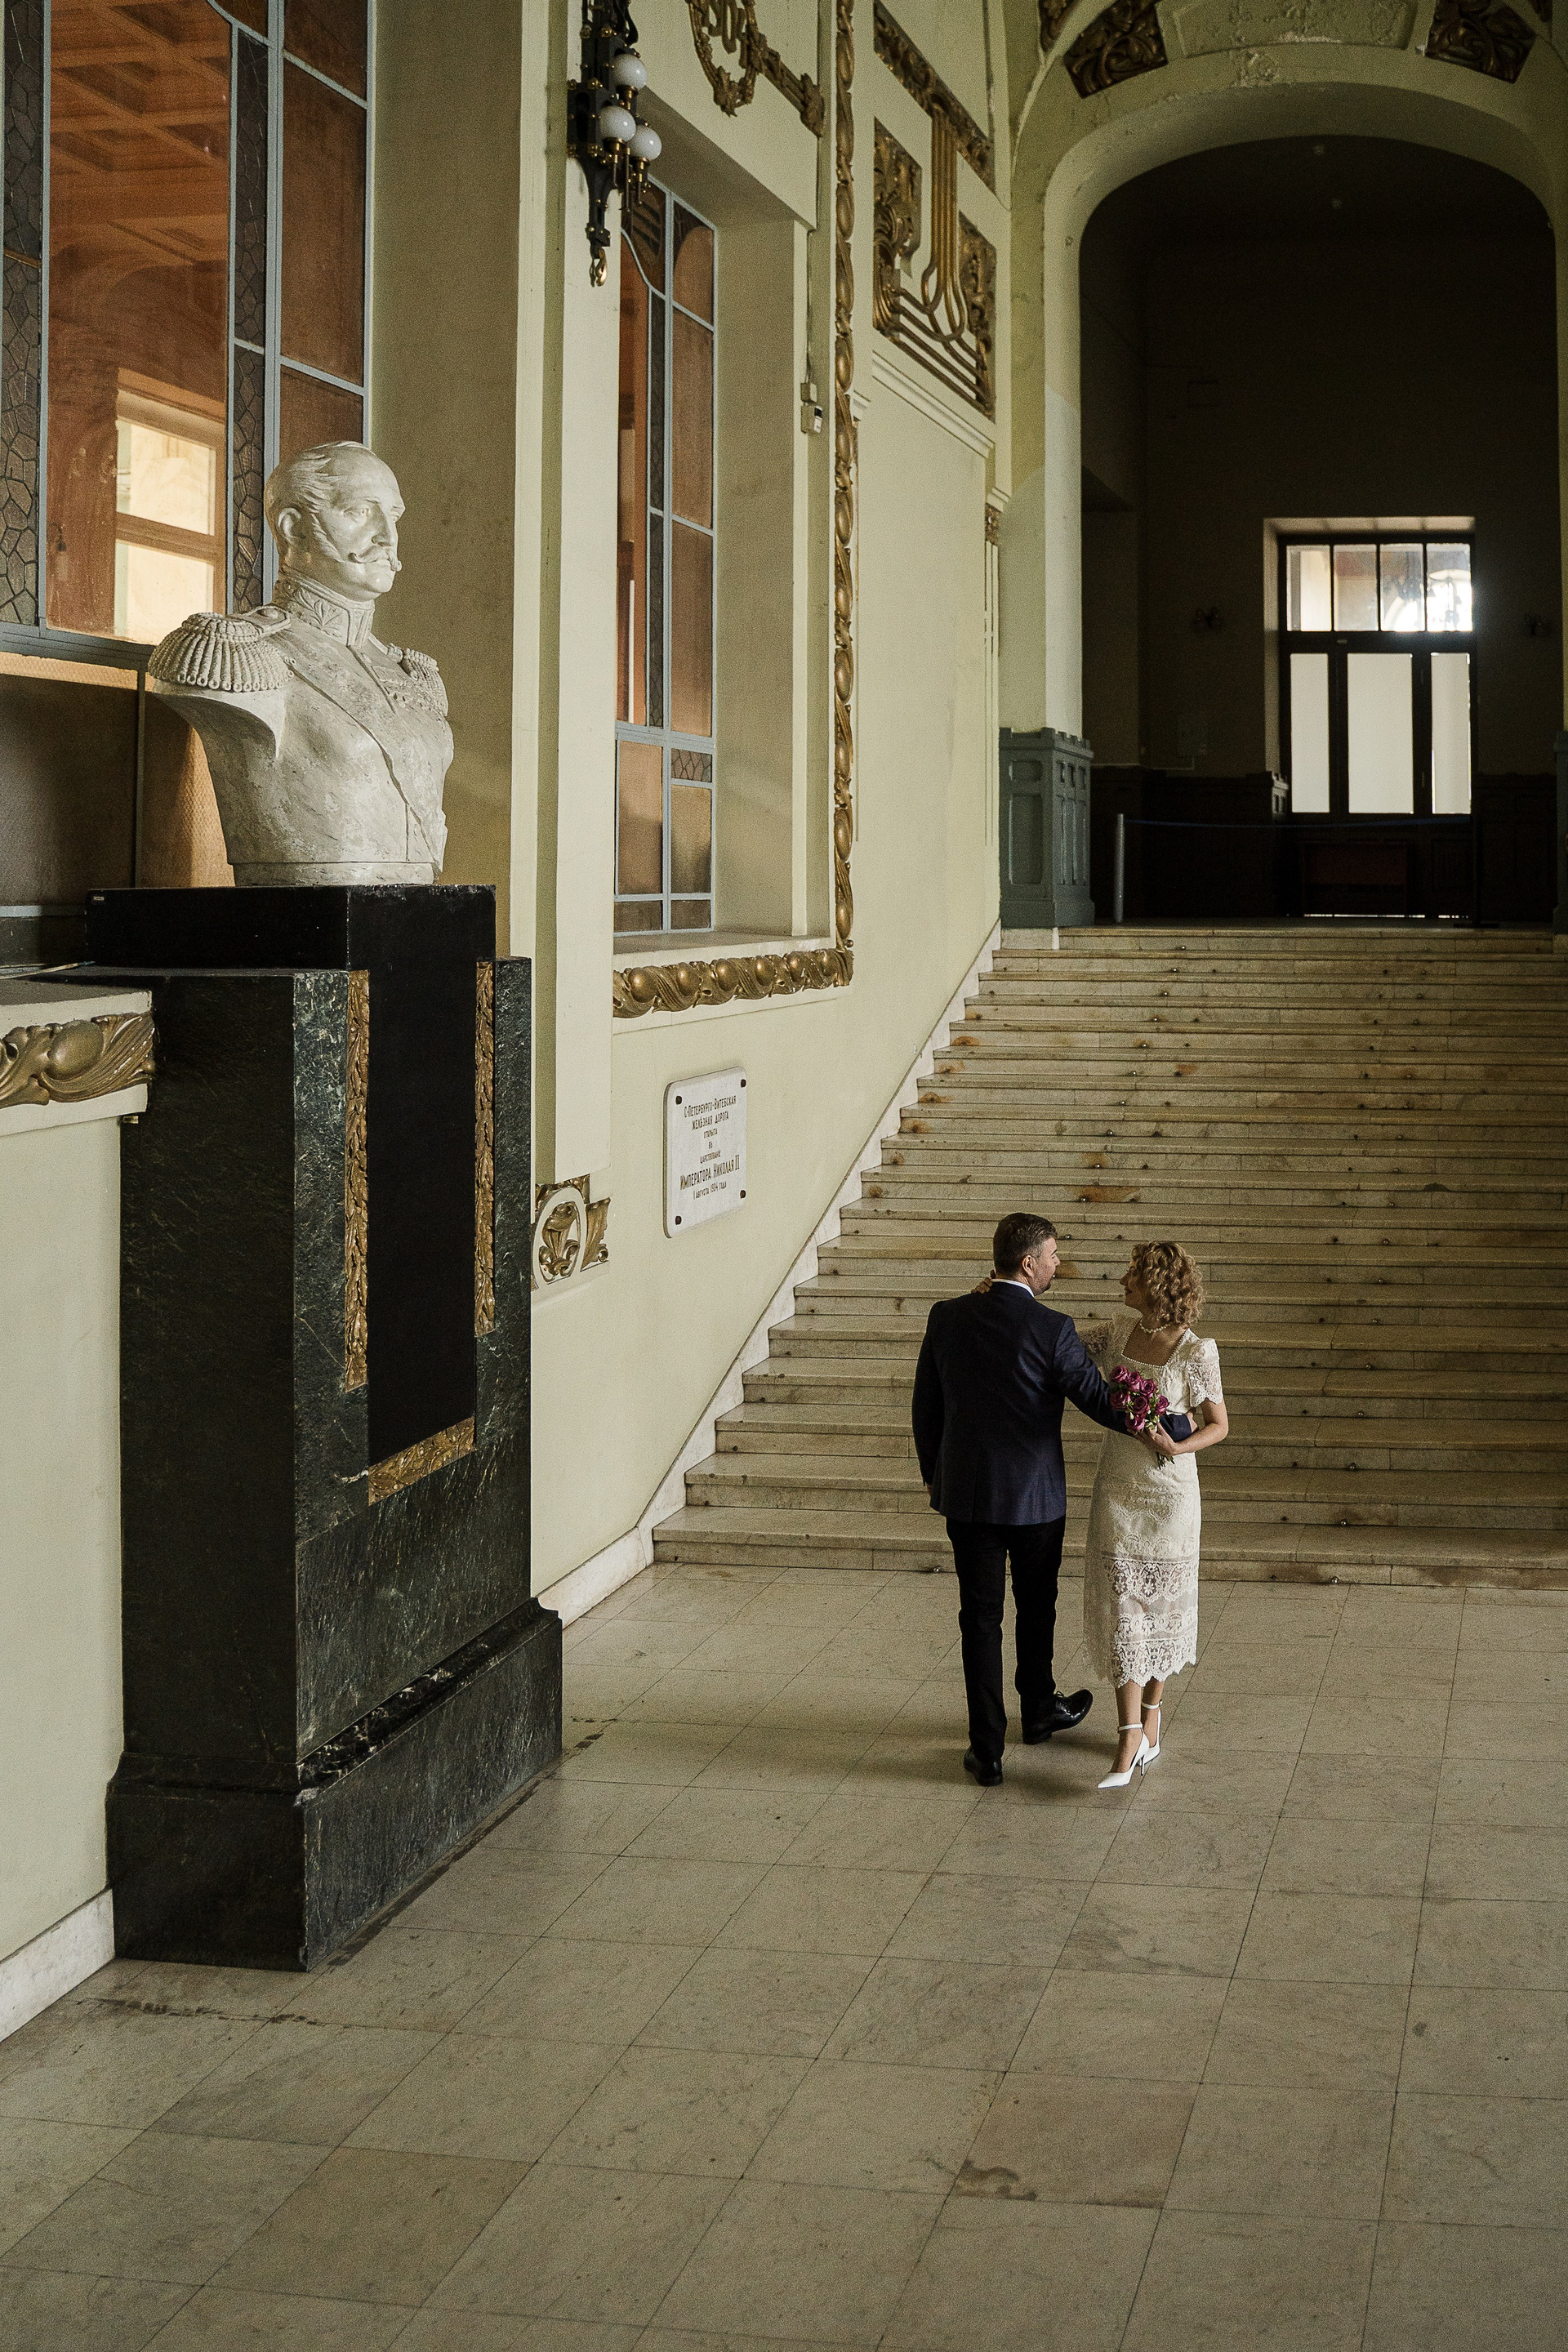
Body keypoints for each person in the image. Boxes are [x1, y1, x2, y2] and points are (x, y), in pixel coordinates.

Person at [911, 1212, 1192, 1787]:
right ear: (1028, 1263)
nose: (1058, 1265)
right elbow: (1099, 1401)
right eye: (1053, 1256)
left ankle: (987, 1750)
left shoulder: (948, 1316)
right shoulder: (1051, 1328)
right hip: (1034, 1499)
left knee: (979, 1620)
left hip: (967, 1495)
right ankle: (1038, 1711)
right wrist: (1171, 1426)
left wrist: (935, 1476)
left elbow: (926, 1404)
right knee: (1037, 1606)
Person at [1080, 1241, 1228, 1790]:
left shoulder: (1196, 1352)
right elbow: (1056, 1344)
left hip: (1169, 1497)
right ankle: (1127, 1736)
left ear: (1158, 1285)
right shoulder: (1116, 1333)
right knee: (1123, 1608)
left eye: (1134, 1275)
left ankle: (1150, 1720)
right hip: (1117, 1489)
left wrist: (1177, 1446)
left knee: (1159, 1611)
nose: (1123, 1281)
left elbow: (1219, 1424)